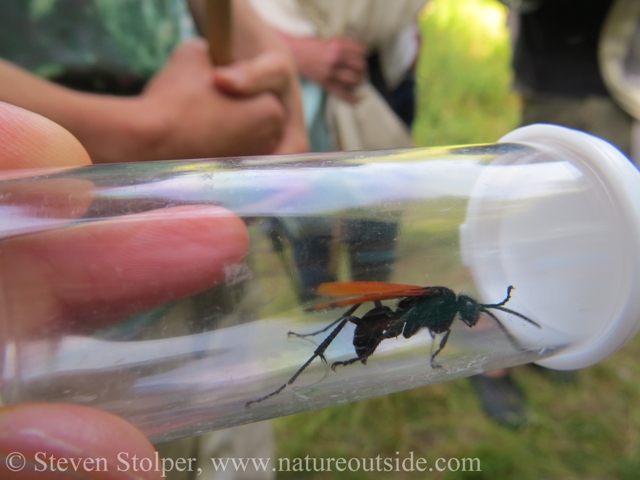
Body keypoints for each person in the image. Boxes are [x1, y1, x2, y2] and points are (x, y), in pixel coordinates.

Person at [471, 0, 636, 429]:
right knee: (523, 233)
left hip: (625, 82)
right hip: (555, 78)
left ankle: (547, 342)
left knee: (598, 242)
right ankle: (495, 364)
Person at [250, 0, 426, 301]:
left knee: (375, 249)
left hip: (381, 83)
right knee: (315, 258)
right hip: (295, 88)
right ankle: (320, 313)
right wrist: (294, 50)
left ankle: (371, 315)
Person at [0, 0, 308, 163]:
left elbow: (256, 49)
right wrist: (144, 134)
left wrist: (272, 76)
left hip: (180, 188)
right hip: (29, 211)